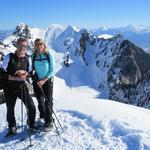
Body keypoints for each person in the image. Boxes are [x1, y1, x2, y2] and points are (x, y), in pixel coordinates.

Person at [1, 38, 36, 136]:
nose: (22, 48)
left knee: (32, 107)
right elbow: (2, 73)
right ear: (16, 45)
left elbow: (30, 73)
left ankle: (31, 124)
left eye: (25, 46)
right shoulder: (9, 57)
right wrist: (14, 76)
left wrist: (25, 74)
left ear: (27, 47)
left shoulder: (28, 58)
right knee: (10, 109)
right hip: (9, 88)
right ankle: (12, 127)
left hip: (22, 87)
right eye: (20, 45)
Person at [32, 39, 55, 131]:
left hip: (48, 81)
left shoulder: (48, 55)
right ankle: (44, 115)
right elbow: (32, 68)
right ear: (35, 46)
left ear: (44, 45)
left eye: (40, 44)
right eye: (37, 45)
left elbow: (52, 69)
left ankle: (48, 122)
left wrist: (44, 80)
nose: (39, 46)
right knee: (40, 102)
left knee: (48, 101)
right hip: (37, 81)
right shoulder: (33, 55)